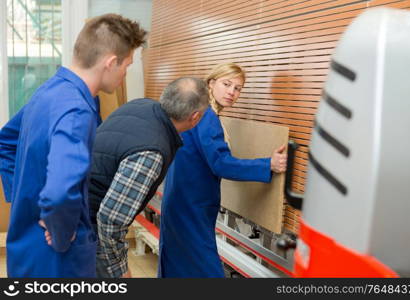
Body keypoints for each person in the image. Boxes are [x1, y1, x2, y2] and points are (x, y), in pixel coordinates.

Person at [0, 14, 146, 277]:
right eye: (127, 65)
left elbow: (5, 141)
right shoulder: (77, 111)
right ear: (111, 63)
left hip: (26, 246)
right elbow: (59, 193)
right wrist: (60, 232)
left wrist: (24, 201)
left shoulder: (49, 91)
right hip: (57, 258)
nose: (125, 74)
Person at [158, 62, 288, 278]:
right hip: (191, 206)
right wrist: (268, 164)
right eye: (226, 84)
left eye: (238, 88)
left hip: (180, 201)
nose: (232, 92)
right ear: (211, 83)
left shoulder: (197, 112)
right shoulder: (206, 117)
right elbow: (221, 163)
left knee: (177, 266)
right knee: (206, 271)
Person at [88, 77, 209, 278]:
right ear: (195, 117)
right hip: (91, 229)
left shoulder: (140, 104)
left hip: (73, 208)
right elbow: (110, 219)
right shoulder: (152, 151)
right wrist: (119, 269)